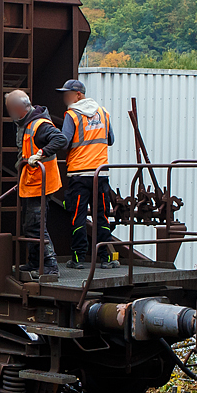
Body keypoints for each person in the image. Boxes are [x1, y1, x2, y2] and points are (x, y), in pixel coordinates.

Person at [56, 79, 119, 268]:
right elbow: (111, 139)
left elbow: (64, 142)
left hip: (79, 174)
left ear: (78, 95)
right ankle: (106, 259)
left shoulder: (72, 115)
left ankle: (78, 259)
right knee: (102, 216)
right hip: (100, 174)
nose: (65, 98)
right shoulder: (103, 112)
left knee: (78, 217)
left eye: (68, 94)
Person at [5, 88, 68, 276]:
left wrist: (40, 154)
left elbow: (60, 140)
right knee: (30, 225)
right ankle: (34, 262)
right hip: (32, 182)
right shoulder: (26, 123)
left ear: (19, 109)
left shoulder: (39, 125)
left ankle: (50, 264)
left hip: (41, 183)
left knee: (36, 225)